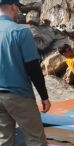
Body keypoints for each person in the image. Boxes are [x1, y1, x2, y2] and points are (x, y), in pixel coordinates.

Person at [0, 0, 51, 146]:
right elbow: (33, 67)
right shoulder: (21, 31)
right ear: (13, 7)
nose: (19, 12)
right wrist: (44, 97)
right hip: (19, 95)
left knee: (4, 140)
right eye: (18, 9)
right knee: (36, 139)